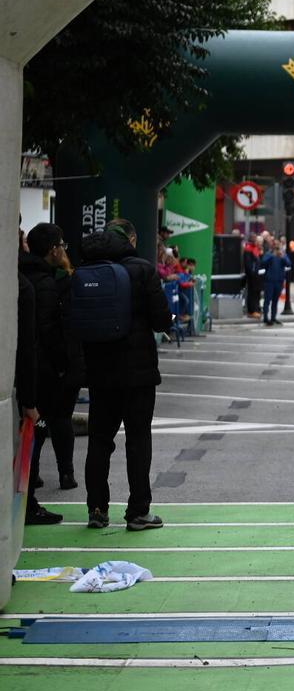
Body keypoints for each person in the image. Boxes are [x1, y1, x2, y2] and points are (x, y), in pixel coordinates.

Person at [79, 218, 172, 531]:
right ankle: (138, 511)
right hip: (139, 373)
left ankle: (96, 508)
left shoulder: (86, 269)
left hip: (100, 372)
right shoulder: (143, 270)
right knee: (138, 439)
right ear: (130, 239)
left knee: (100, 440)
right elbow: (161, 320)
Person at [21, 224, 84, 500]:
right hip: (50, 368)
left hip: (34, 367)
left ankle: (33, 476)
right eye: (60, 245)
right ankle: (63, 473)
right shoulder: (47, 283)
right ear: (52, 250)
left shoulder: (25, 275)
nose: (63, 250)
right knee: (55, 421)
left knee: (38, 423)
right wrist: (61, 364)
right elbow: (49, 330)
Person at [260, 242, 291, 326]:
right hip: (269, 281)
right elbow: (263, 263)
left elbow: (288, 264)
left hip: (279, 281)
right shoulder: (269, 254)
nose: (278, 250)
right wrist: (272, 255)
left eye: (279, 248)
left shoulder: (282, 255)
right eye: (276, 248)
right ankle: (266, 317)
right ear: (273, 248)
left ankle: (273, 317)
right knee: (267, 300)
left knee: (275, 301)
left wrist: (283, 256)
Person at [242, 234, 263, 318]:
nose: (256, 241)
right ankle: (252, 310)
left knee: (256, 293)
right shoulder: (248, 249)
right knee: (252, 293)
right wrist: (252, 272)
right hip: (252, 276)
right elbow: (249, 265)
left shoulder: (255, 249)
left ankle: (256, 309)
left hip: (257, 275)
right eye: (255, 239)